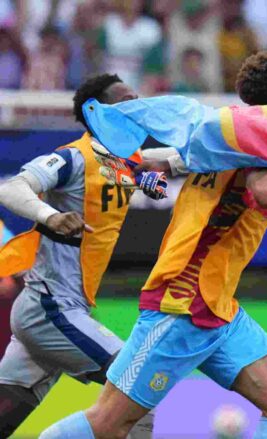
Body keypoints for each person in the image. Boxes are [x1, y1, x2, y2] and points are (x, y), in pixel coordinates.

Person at [39, 49, 267, 439]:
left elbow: (188, 158)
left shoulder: (233, 133)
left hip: (218, 307)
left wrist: (163, 161)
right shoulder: (260, 138)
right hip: (181, 304)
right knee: (108, 423)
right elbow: (264, 192)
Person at [0, 74, 170, 438]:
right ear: (97, 113)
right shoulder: (73, 157)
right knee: (137, 385)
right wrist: (51, 216)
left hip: (60, 308)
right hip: (51, 308)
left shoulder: (123, 159)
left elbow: (164, 159)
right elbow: (12, 188)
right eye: (125, 100)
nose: (135, 106)